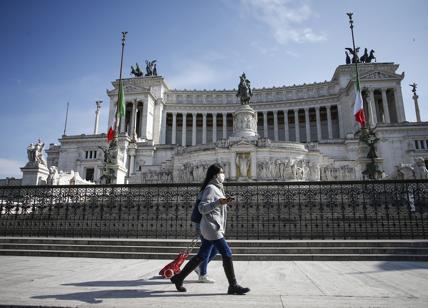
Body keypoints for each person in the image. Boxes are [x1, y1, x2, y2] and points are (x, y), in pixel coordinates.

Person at [171, 163, 250, 295]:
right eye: (221, 172)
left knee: (201, 255)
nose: (223, 175)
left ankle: (178, 278)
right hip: (212, 227)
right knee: (227, 253)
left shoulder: (218, 188)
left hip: (212, 226)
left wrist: (223, 203)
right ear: (215, 175)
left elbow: (214, 205)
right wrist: (219, 202)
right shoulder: (211, 188)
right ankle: (233, 285)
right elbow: (202, 208)